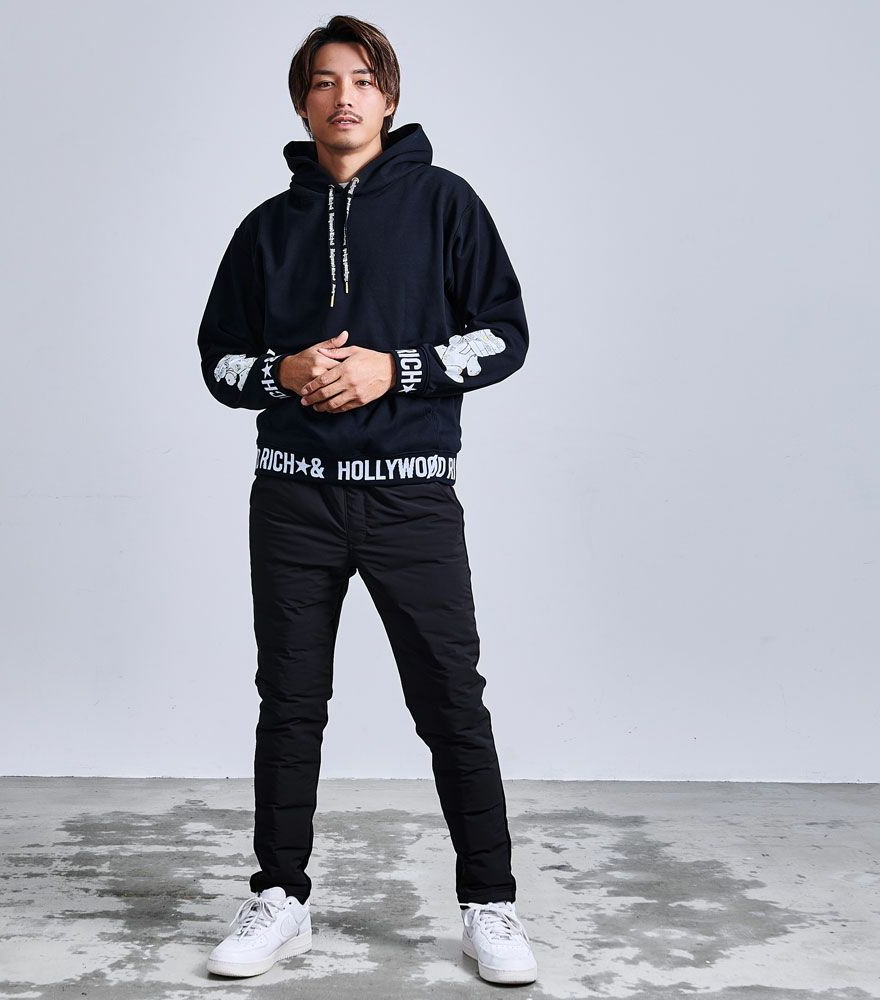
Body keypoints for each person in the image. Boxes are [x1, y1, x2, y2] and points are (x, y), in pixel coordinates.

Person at [198, 14, 536, 986]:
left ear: (388, 97)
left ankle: (490, 903)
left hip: (411, 500)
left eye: (360, 79)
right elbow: (218, 362)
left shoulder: (445, 204)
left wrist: (400, 369)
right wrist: (282, 370)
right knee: (289, 703)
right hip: (292, 501)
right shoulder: (266, 229)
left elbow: (505, 335)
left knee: (451, 700)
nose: (342, 96)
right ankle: (281, 897)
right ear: (302, 102)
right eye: (322, 81)